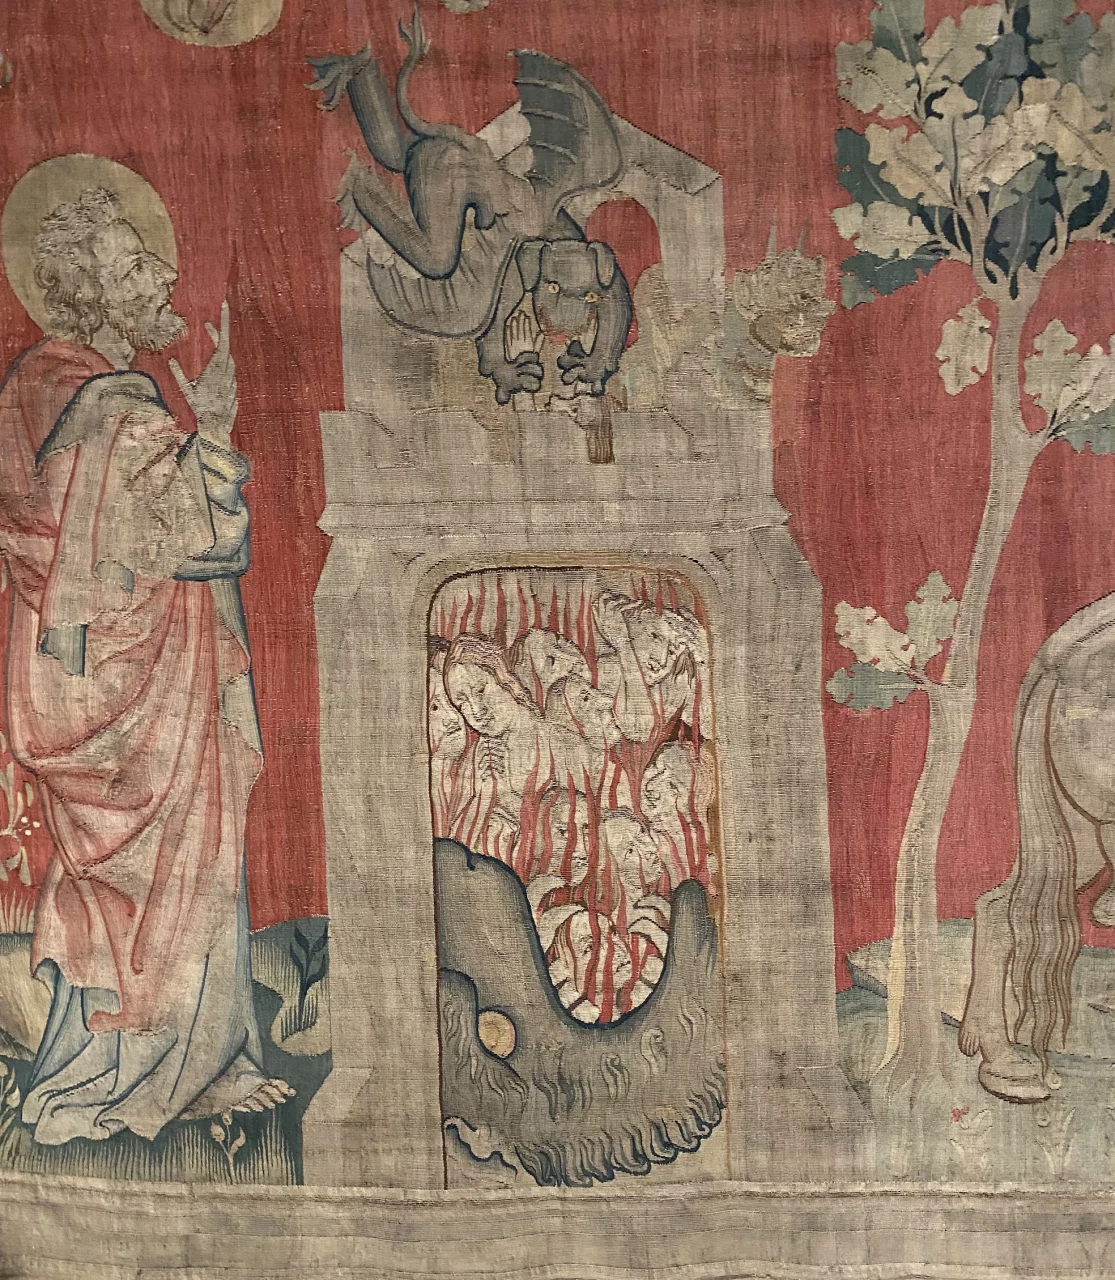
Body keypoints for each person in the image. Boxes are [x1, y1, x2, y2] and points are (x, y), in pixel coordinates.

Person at [0, 186, 290, 1145]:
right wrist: (217, 431)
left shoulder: (32, 386)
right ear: (89, 296)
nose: (162, 276)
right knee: (173, 866)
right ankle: (157, 1075)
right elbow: (198, 542)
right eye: (135, 267)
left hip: (82, 674)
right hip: (135, 683)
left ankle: (111, 1064)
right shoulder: (112, 401)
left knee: (122, 879)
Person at [443, 634, 591, 867]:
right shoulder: (475, 762)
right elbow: (455, 852)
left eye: (480, 690)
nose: (476, 711)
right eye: (462, 702)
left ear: (505, 680)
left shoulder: (568, 747)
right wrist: (483, 799)